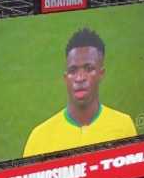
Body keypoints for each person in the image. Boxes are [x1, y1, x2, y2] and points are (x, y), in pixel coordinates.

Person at [23, 28, 137, 157]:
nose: (80, 78)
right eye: (73, 70)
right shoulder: (39, 138)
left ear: (101, 74)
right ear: (66, 78)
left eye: (89, 69)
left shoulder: (123, 125)